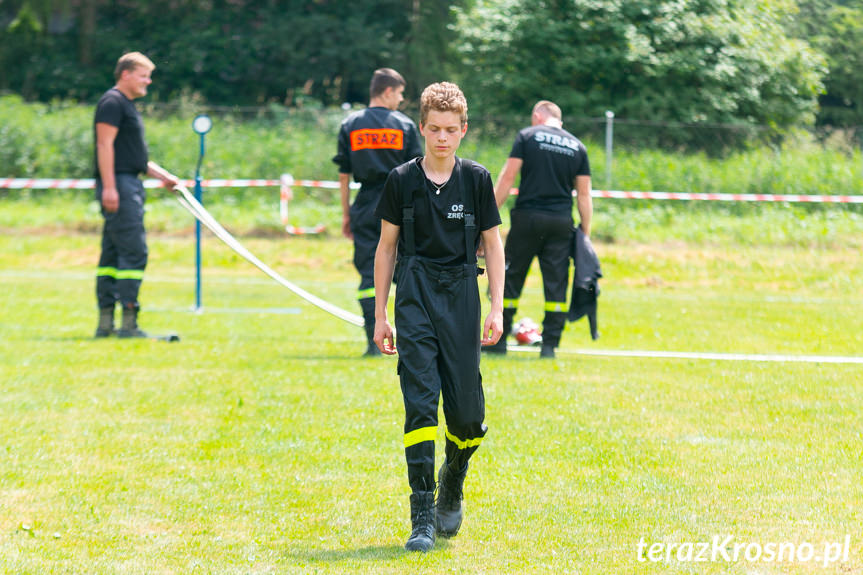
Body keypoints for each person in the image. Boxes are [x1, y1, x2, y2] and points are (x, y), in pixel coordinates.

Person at [373, 82, 504, 552]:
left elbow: (492, 244)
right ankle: (422, 515)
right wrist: (380, 313)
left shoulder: (477, 179)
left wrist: (496, 306)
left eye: (451, 130)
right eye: (434, 130)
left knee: (467, 415)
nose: (442, 138)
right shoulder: (401, 180)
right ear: (422, 129)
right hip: (414, 295)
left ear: (463, 130)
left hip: (463, 295)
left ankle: (455, 475)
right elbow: (386, 247)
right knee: (421, 403)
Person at [488, 100, 592, 359]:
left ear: (537, 116)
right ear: (560, 121)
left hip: (527, 218)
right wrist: (585, 232)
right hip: (559, 222)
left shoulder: (527, 136)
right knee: (556, 285)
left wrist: (487, 214)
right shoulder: (578, 146)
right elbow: (583, 194)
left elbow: (508, 177)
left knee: (510, 277)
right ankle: (549, 346)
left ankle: (499, 342)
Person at [333, 68, 423, 356]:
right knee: (408, 270)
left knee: (369, 276)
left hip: (366, 203)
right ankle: (412, 338)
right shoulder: (404, 125)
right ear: (387, 91)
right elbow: (418, 173)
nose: (401, 99)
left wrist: (347, 213)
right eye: (399, 93)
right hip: (400, 203)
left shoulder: (351, 124)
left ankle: (373, 341)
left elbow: (344, 174)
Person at [93, 52, 179, 338]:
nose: (148, 81)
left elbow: (135, 157)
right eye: (143, 75)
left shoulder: (125, 105)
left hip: (127, 180)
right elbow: (105, 146)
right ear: (125, 74)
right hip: (119, 184)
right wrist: (109, 187)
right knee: (134, 252)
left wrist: (163, 177)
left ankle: (106, 323)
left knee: (113, 253)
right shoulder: (112, 103)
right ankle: (128, 322)